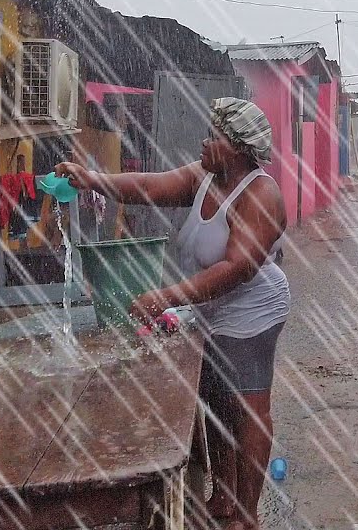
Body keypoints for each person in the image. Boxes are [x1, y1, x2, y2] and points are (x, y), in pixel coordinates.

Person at [55, 97, 287, 530]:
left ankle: (247, 513)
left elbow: (236, 268)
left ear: (236, 147)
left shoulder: (260, 194)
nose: (204, 142)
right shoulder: (205, 178)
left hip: (254, 307)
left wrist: (168, 296)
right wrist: (92, 179)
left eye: (214, 136)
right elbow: (148, 186)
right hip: (212, 304)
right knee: (215, 397)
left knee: (249, 407)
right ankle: (224, 491)